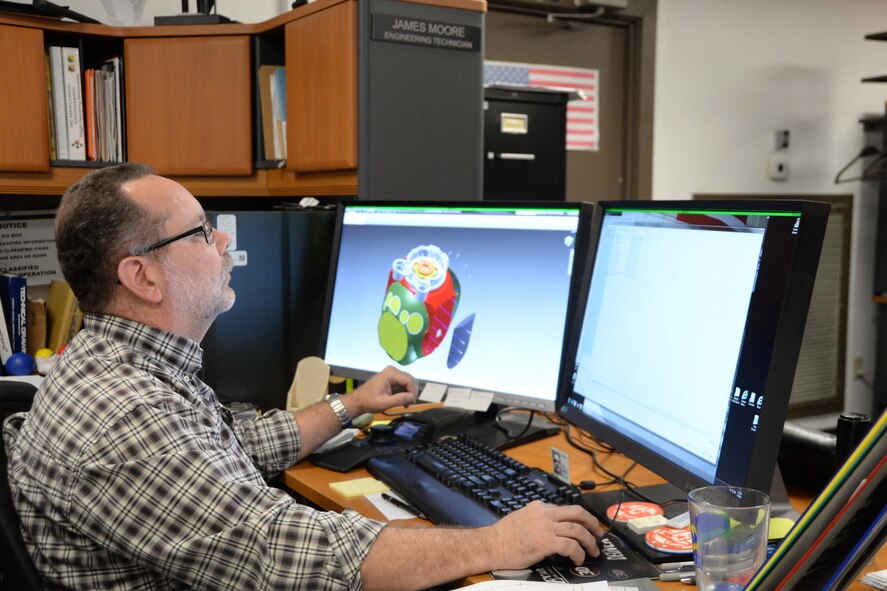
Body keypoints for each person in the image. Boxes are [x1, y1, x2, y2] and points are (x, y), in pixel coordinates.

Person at [3, 163, 603, 590]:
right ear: (143, 277)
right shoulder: (126, 412)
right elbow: (288, 554)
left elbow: (224, 448)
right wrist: (496, 541)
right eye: (199, 232)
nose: (221, 243)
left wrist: (353, 406)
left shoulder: (120, 366)